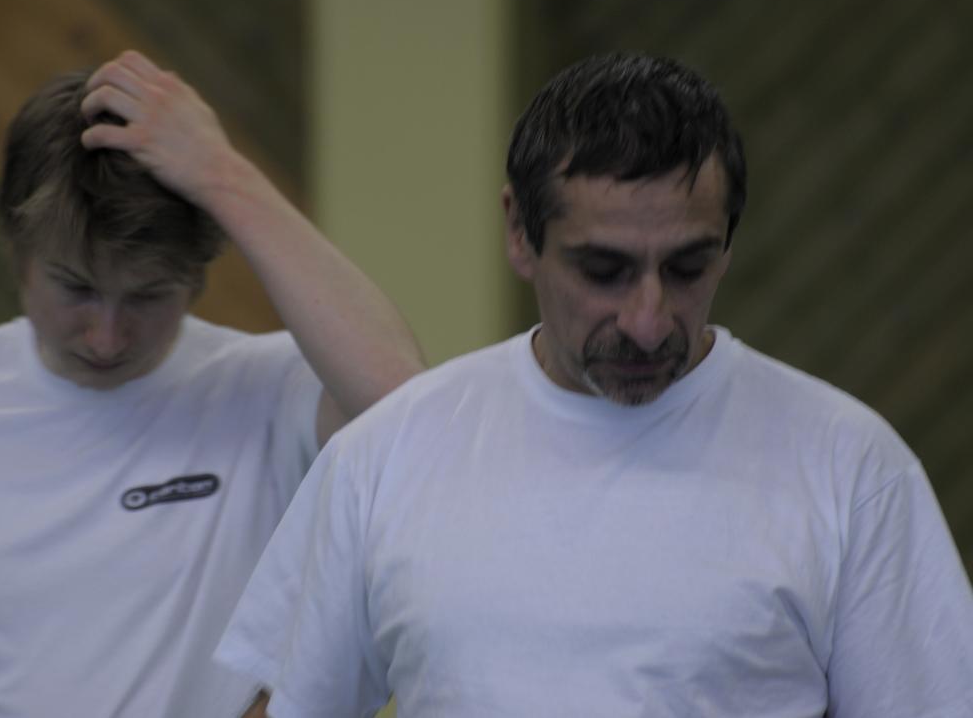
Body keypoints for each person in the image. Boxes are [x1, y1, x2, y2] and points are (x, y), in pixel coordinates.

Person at [214, 52, 973, 717]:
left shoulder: (848, 466)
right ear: (520, 232)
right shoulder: (386, 455)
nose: (647, 320)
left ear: (728, 245)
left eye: (687, 267)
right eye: (604, 269)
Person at [0, 50, 425, 718]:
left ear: (196, 279)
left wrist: (223, 173)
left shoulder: (269, 389)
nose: (106, 337)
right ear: (18, 253)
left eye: (147, 296)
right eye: (76, 288)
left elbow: (407, 411)